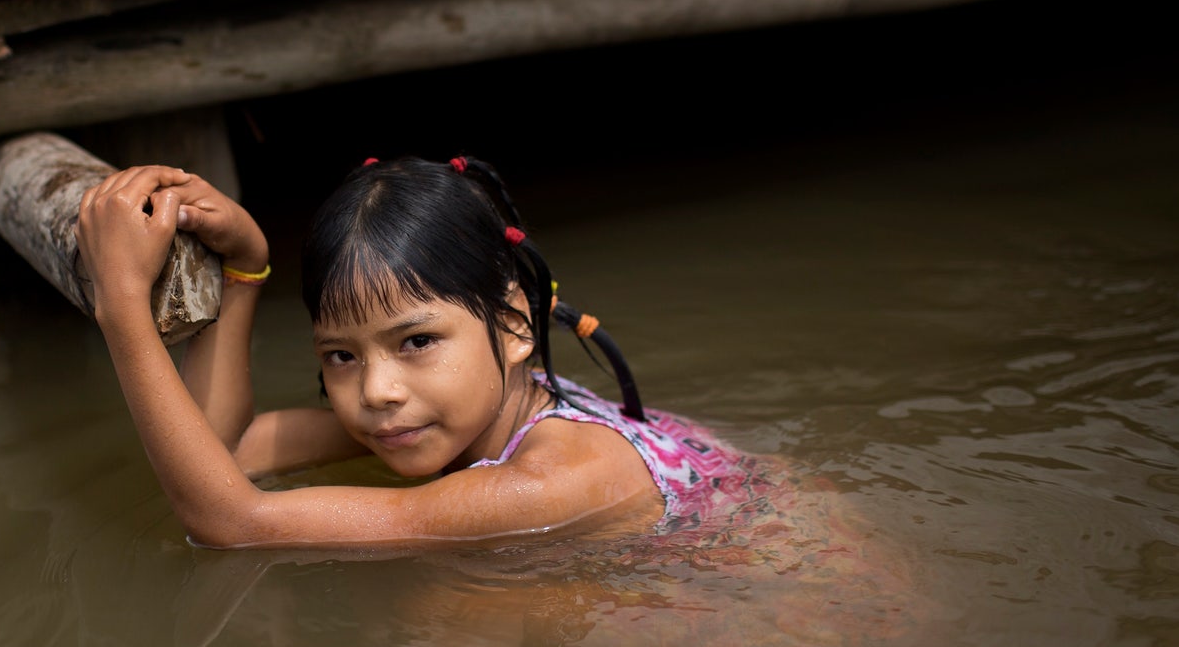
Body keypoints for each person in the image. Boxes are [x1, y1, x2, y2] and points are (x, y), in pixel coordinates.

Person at [74, 154, 770, 549]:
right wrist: (245, 272)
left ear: (516, 325)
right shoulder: (468, 412)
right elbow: (222, 452)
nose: (377, 390)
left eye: (417, 341)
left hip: (804, 611)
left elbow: (231, 520)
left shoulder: (543, 479)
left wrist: (122, 308)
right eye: (340, 356)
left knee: (449, 611)